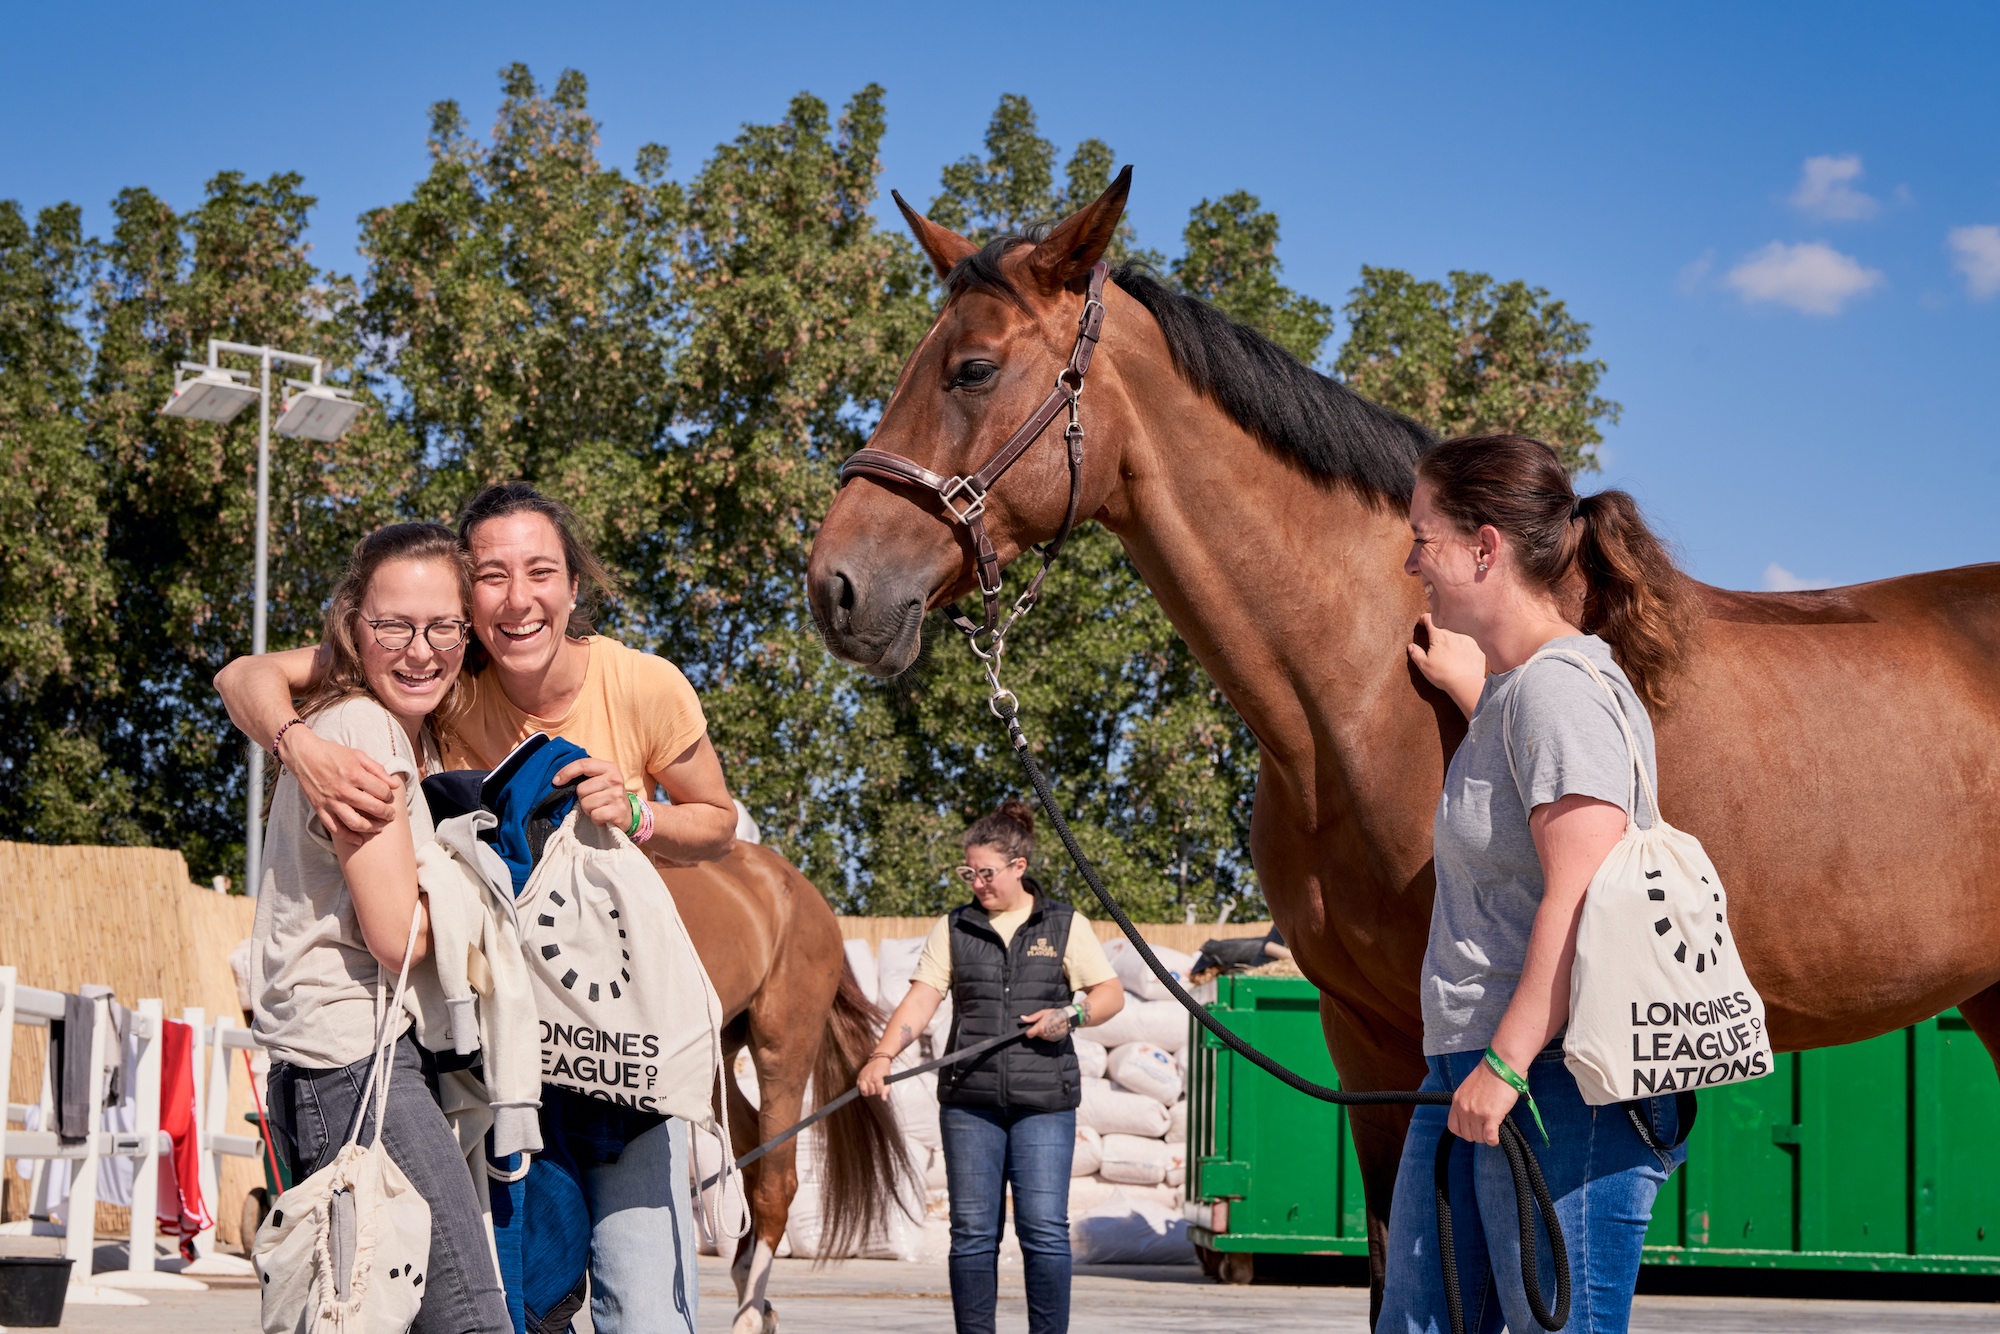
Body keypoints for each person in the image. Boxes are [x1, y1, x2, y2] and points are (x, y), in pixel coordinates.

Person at [217, 483, 737, 1334]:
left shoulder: (640, 684)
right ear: (469, 600)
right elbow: (245, 673)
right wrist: (296, 744)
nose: (518, 598)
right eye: (491, 577)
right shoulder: (444, 679)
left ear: (575, 586)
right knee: (516, 1300)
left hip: (609, 1036)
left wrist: (638, 812)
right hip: (490, 1055)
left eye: (541, 572)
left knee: (641, 1306)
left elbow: (717, 825)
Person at [1383, 434, 1696, 1334]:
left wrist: (1508, 1063)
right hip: (1477, 1064)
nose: (1412, 562)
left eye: (1423, 537)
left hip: (1549, 1081)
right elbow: (1531, 787)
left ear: (1485, 548)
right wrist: (1474, 691)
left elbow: (1583, 888)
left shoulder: (1561, 693)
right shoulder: (1522, 696)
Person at [240, 522, 510, 1334]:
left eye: (442, 627)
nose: (420, 649)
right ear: (353, 625)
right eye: (394, 625)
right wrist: (492, 897)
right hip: (358, 1067)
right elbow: (396, 935)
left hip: (344, 1068)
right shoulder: (365, 729)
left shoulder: (374, 724)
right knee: (469, 1321)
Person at [858, 800, 1126, 1334]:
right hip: (969, 1105)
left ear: (1019, 866)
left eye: (986, 872)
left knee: (1044, 1230)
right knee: (974, 1234)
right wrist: (882, 1055)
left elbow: (1110, 994)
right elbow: (920, 1000)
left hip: (1045, 1104)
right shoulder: (954, 927)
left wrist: (1069, 1015)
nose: (977, 883)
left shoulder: (1064, 924)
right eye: (969, 872)